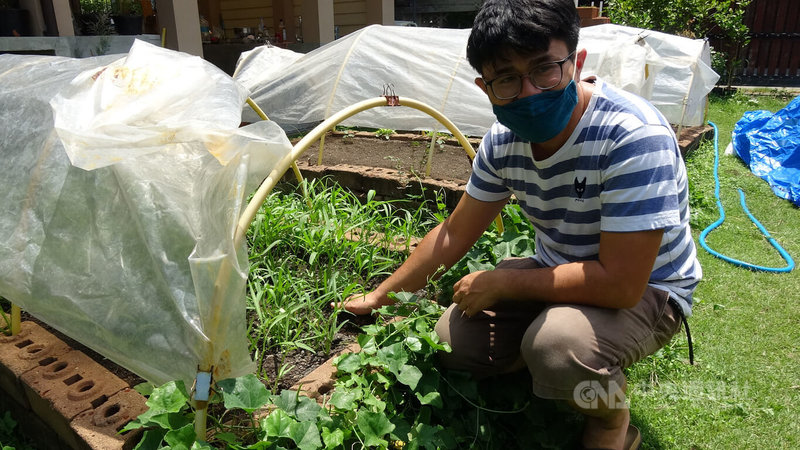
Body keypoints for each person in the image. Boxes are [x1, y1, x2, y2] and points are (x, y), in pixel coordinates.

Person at [339, 0, 702, 448]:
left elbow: (622, 285)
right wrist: (379, 297)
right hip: (563, 268)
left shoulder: (631, 134)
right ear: (485, 87)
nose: (529, 92)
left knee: (559, 347)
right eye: (508, 78)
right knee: (455, 342)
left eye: (545, 69)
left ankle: (611, 420)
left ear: (576, 62)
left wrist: (506, 283)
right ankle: (546, 364)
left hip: (648, 289)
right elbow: (455, 232)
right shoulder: (503, 142)